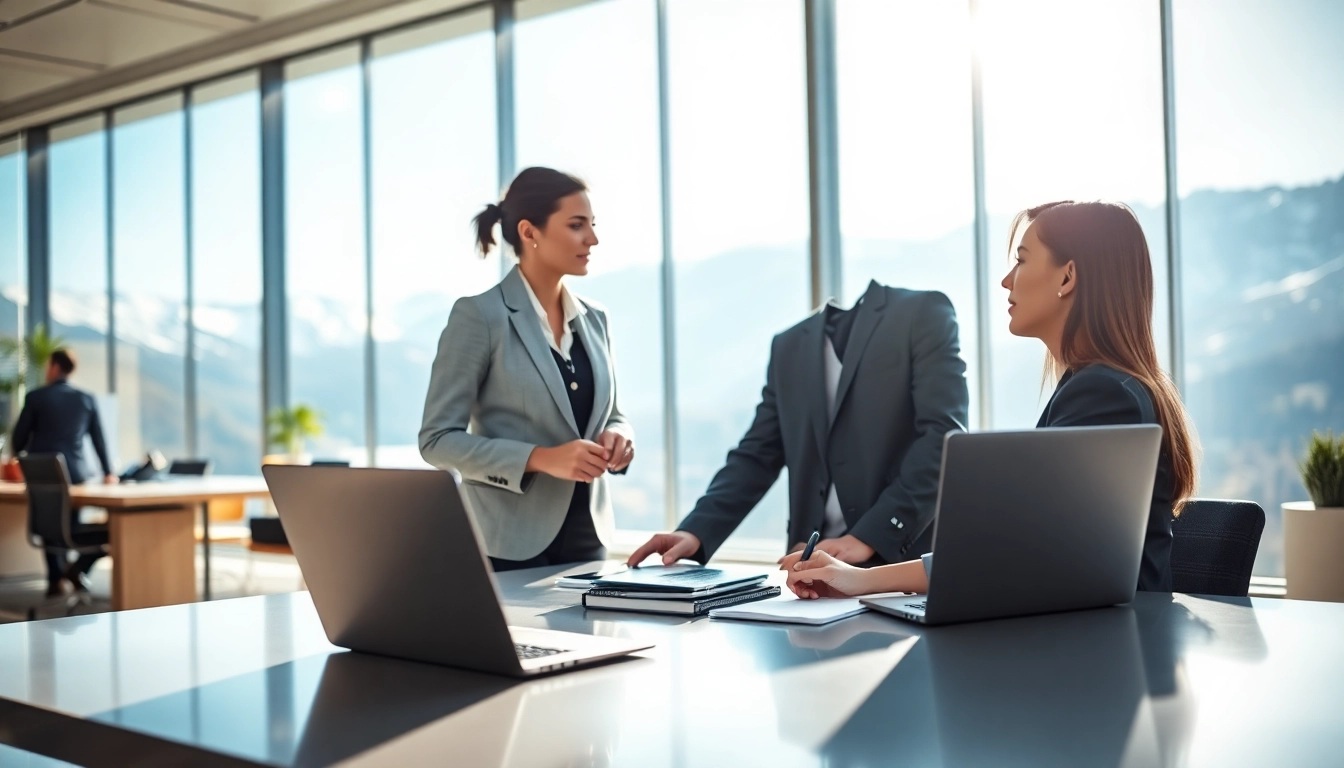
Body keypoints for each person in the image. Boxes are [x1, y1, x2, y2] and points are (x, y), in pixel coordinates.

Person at [783, 200, 1197, 598]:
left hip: (1102, 652)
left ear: (1067, 278)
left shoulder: (1102, 394)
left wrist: (860, 581)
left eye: (1022, 260)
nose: (1006, 280)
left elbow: (1023, 552)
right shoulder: (1097, 387)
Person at [627, 278, 970, 569]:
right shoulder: (788, 346)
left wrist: (869, 536)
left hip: (904, 565)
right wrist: (696, 531)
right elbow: (757, 455)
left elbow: (943, 436)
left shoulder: (922, 314)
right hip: (808, 571)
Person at [420, 167, 634, 571]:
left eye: (593, 224)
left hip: (589, 536)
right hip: (506, 543)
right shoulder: (479, 317)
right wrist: (540, 458)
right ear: (529, 232)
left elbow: (614, 413)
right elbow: (436, 440)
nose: (593, 239)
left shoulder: (596, 319)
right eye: (576, 225)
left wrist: (620, 435)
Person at [10, 348, 117, 596]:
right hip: (77, 475)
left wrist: (24, 463)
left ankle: (56, 579)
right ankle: (77, 568)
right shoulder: (86, 398)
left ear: (55, 367)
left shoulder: (37, 397)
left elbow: (19, 439)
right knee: (72, 525)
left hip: (44, 474)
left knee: (53, 525)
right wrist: (109, 472)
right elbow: (99, 440)